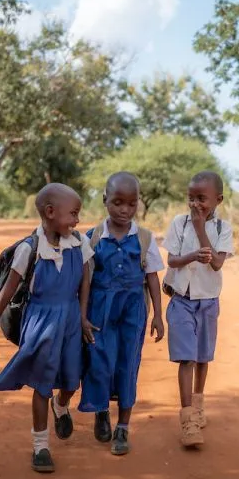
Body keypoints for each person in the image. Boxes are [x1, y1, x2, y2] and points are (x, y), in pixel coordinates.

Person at [0, 183, 95, 473]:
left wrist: (82, 318)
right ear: (50, 212)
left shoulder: (79, 243)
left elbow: (84, 283)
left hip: (69, 319)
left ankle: (62, 405)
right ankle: (40, 445)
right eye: (73, 213)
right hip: (41, 321)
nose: (77, 220)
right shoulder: (29, 249)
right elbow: (7, 291)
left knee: (71, 381)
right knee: (42, 382)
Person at [78, 172, 165, 456]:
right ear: (105, 201)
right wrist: (82, 315)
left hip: (133, 311)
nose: (124, 210)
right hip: (99, 310)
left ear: (138, 203)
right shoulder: (91, 238)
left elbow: (152, 277)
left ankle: (123, 428)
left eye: (131, 203)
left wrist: (157, 316)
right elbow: (85, 280)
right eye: (117, 202)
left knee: (128, 365)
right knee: (99, 363)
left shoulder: (144, 238)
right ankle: (101, 411)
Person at [162, 171, 234, 447]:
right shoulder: (179, 224)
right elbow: (172, 261)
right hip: (181, 300)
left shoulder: (222, 229)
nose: (195, 205)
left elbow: (217, 263)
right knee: (186, 358)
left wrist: (201, 229)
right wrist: (192, 254)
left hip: (208, 302)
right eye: (191, 198)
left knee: (203, 357)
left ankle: (199, 402)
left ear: (218, 200)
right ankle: (188, 419)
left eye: (202, 199)